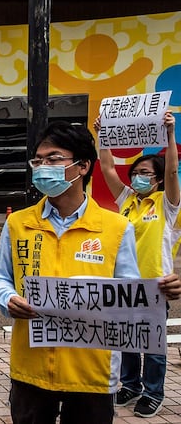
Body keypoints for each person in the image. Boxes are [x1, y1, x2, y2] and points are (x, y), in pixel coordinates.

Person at [0, 121, 181, 423]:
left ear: (82, 167)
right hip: (31, 369)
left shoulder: (117, 227)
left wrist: (158, 291)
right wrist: (8, 297)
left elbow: (128, 291)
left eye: (53, 159)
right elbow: (0, 276)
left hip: (92, 370)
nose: (42, 167)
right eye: (37, 161)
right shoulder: (18, 223)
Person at [94, 111, 180, 418]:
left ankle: (153, 391)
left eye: (145, 173)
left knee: (153, 345)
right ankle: (129, 385)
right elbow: (106, 168)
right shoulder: (127, 200)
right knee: (127, 337)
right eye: (136, 172)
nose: (137, 177)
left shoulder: (167, 204)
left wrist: (170, 135)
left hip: (155, 283)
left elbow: (172, 172)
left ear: (156, 179)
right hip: (126, 283)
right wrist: (102, 137)